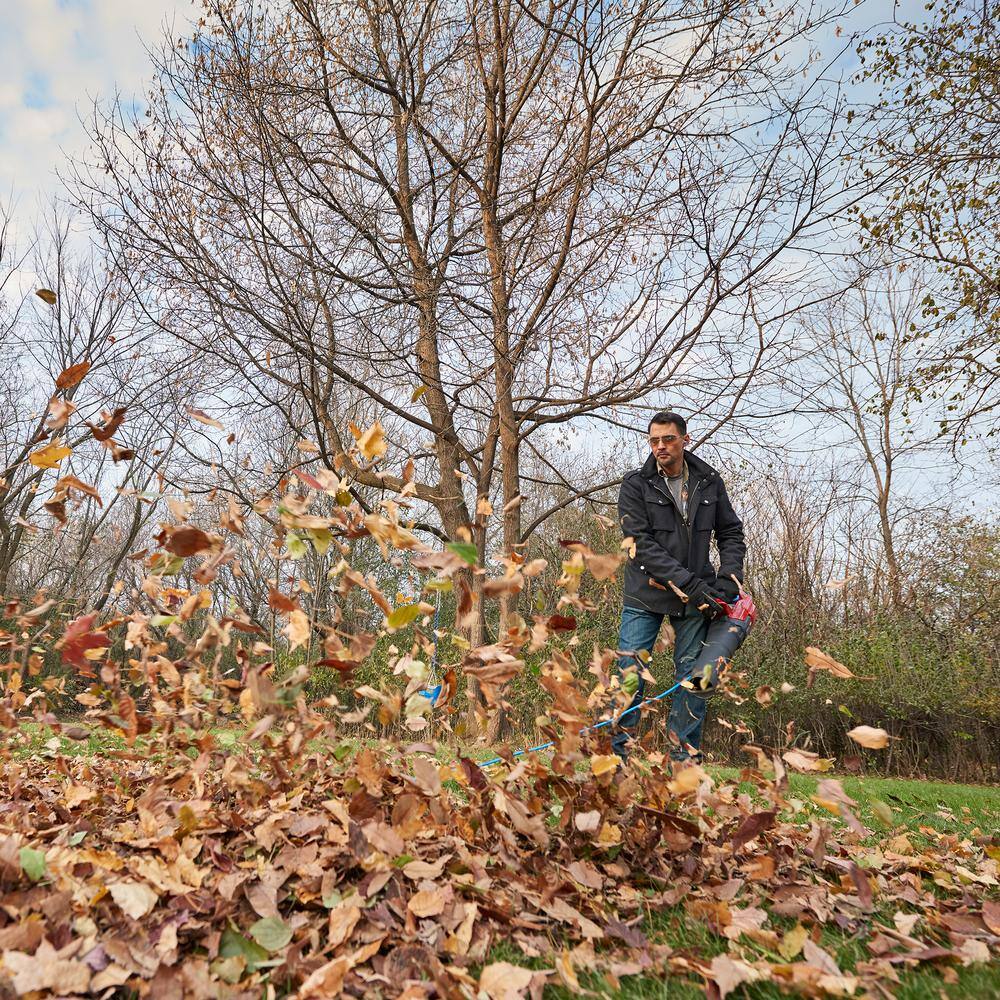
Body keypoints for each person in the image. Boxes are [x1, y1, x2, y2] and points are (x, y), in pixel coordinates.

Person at [614, 411, 746, 763]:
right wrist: (690, 584)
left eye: (668, 439)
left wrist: (727, 579)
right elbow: (639, 543)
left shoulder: (709, 481)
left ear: (685, 440)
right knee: (630, 674)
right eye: (654, 440)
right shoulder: (636, 485)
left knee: (697, 678)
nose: (660, 446)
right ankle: (617, 758)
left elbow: (731, 533)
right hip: (646, 595)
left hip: (698, 601)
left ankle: (684, 759)